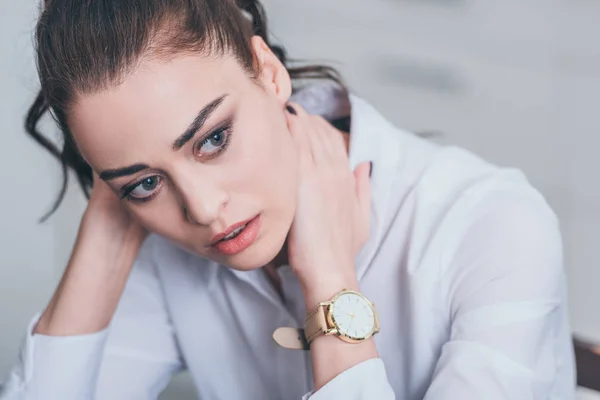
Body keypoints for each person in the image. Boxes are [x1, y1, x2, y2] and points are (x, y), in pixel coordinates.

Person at [0, 0, 576, 399]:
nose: (201, 209)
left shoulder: (493, 226)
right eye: (145, 183)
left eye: (214, 139)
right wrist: (111, 216)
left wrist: (331, 284)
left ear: (269, 73)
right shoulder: (159, 240)